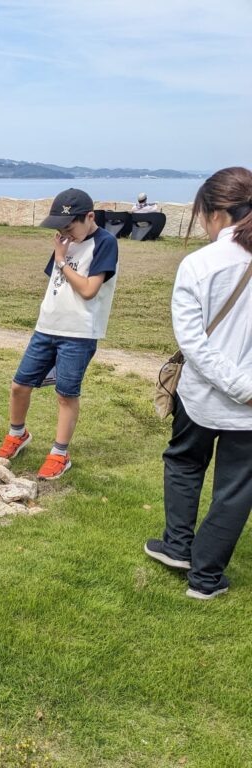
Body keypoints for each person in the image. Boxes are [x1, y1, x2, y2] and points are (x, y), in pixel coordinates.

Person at [144, 166, 252, 600]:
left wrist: (239, 386)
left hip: (203, 394)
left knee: (185, 463)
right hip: (243, 404)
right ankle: (204, 578)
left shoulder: (201, 263)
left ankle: (179, 546)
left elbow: (193, 343)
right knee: (236, 489)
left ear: (213, 213)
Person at [0, 188, 119, 479]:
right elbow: (56, 282)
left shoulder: (105, 242)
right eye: (60, 229)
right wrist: (61, 255)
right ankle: (17, 434)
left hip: (79, 333)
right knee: (19, 385)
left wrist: (62, 259)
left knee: (66, 394)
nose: (64, 233)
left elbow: (89, 290)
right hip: (46, 327)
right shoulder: (65, 242)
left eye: (69, 227)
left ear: (89, 217)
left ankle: (60, 453)